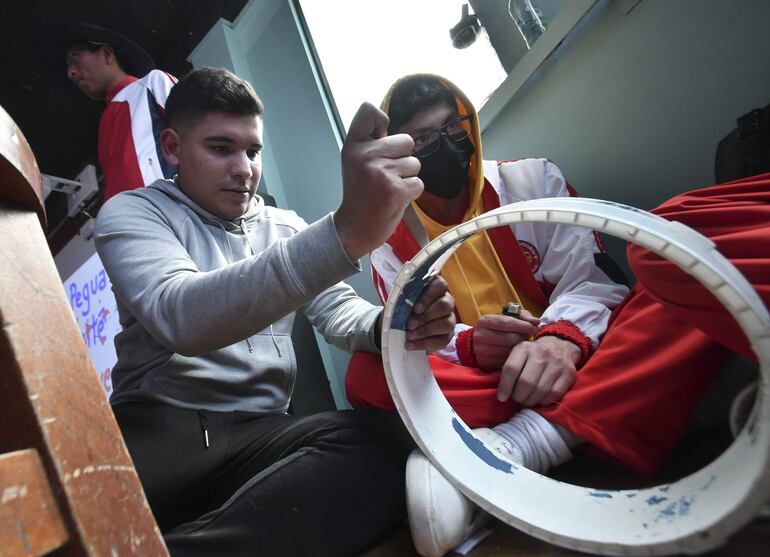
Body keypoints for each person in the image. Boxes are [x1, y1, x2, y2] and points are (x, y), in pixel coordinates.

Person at [345, 74, 769, 557]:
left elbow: (591, 280)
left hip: (586, 349)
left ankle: (509, 445)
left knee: (677, 263)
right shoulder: (392, 241)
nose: (444, 146)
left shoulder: (531, 181)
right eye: (423, 139)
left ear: (471, 124)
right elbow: (415, 334)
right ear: (403, 156)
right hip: (492, 372)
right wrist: (469, 343)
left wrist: (559, 338)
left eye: (453, 128)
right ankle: (610, 407)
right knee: (367, 373)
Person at [93, 67, 457, 556]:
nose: (244, 168)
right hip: (163, 429)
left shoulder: (283, 224)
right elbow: (179, 315)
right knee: (94, 511)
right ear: (174, 148)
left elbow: (338, 312)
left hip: (261, 433)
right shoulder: (132, 213)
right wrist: (344, 233)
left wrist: (395, 321)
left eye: (253, 151)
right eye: (221, 148)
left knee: (392, 444)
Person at [36, 21, 177, 201]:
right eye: (67, 66)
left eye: (75, 58)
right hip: (131, 224)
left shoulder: (152, 83)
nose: (70, 72)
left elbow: (197, 131)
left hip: (173, 211)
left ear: (107, 54)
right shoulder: (106, 123)